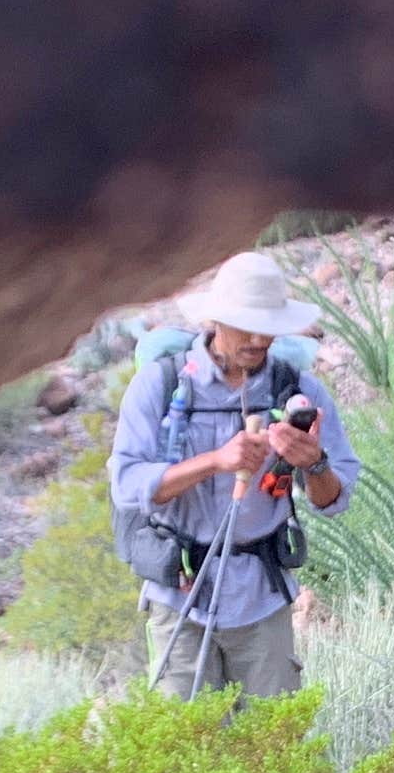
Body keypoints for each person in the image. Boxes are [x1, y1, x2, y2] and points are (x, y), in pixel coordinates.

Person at [107, 250, 362, 700]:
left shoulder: (299, 390)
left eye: (269, 326)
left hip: (261, 600)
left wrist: (312, 462)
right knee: (188, 750)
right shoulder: (160, 385)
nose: (259, 337)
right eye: (246, 323)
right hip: (181, 600)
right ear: (215, 321)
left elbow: (334, 499)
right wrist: (216, 461)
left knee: (276, 746)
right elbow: (128, 484)